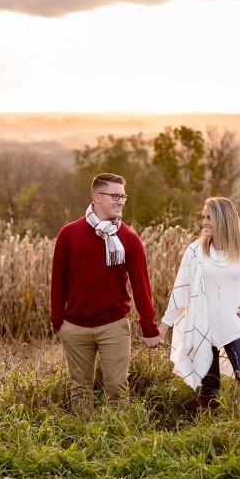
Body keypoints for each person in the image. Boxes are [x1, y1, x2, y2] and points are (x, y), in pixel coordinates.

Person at [50, 172, 162, 416]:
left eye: (123, 197)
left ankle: (118, 437)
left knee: (117, 389)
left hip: (114, 326)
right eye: (115, 196)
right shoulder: (69, 234)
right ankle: (83, 436)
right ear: (97, 197)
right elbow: (58, 280)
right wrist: (59, 322)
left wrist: (149, 327)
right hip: (75, 326)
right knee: (80, 390)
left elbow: (141, 286)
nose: (121, 201)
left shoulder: (129, 239)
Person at [158, 196, 240, 409]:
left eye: (209, 218)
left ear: (223, 218)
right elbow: (180, 290)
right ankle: (208, 423)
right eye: (203, 217)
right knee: (210, 385)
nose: (204, 223)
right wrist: (163, 327)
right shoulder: (195, 252)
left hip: (236, 327)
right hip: (204, 327)